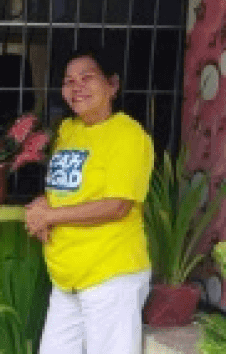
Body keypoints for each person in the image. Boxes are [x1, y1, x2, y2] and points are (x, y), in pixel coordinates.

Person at [24, 45, 154, 354]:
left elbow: (117, 205)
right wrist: (42, 203)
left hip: (110, 276)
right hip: (67, 278)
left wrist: (49, 217)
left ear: (113, 85)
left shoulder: (127, 135)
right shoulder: (68, 131)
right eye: (69, 81)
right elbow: (68, 190)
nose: (76, 87)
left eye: (87, 77)